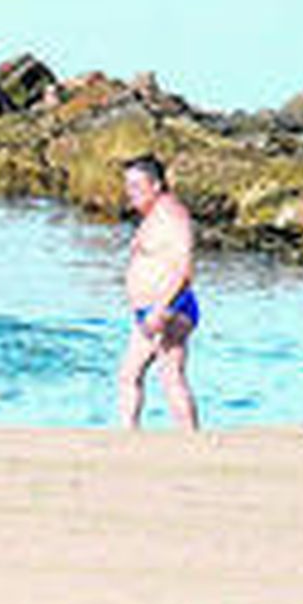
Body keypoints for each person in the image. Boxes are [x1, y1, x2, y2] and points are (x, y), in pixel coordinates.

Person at [116, 154, 200, 431]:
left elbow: (184, 268)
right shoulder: (156, 215)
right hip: (155, 308)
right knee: (148, 374)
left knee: (156, 374)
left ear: (157, 185)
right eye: (128, 187)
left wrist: (161, 309)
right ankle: (136, 435)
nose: (131, 194)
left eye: (137, 187)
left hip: (167, 306)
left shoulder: (171, 216)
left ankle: (187, 439)